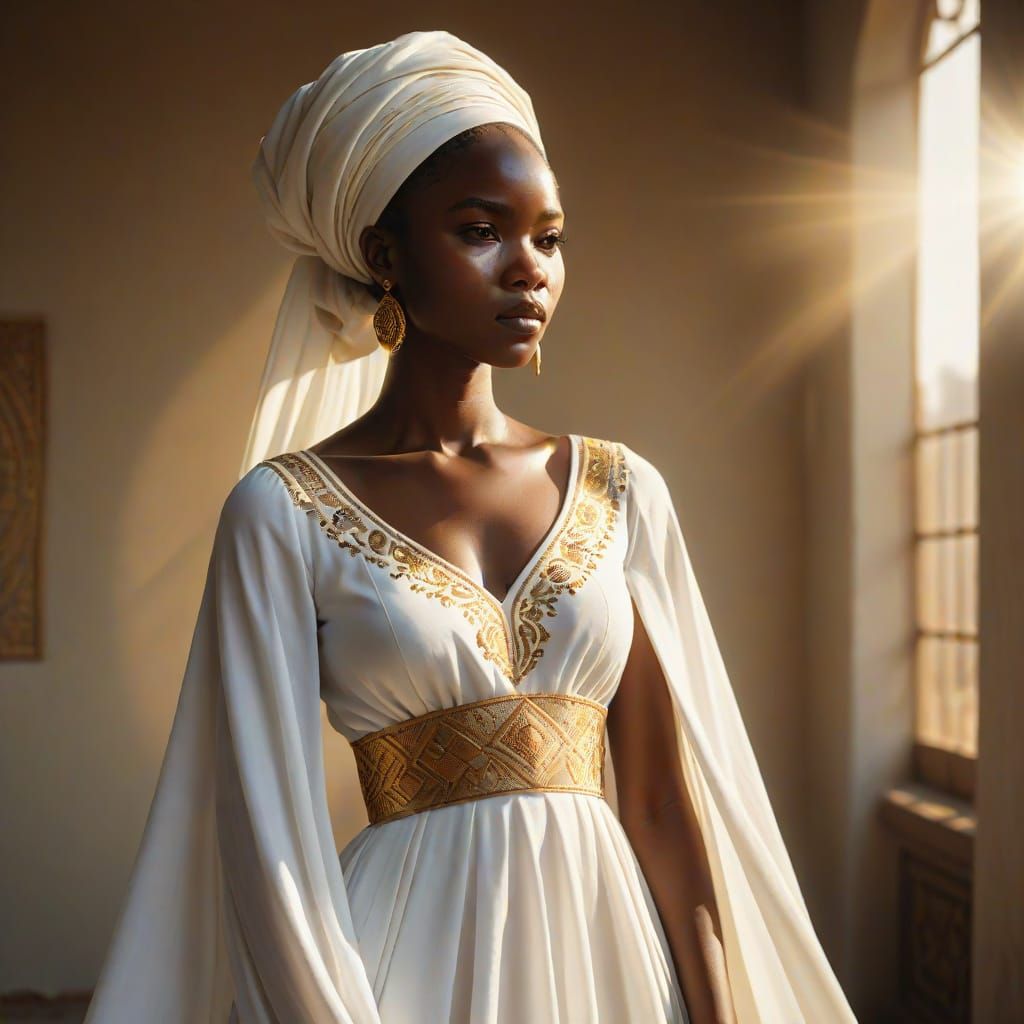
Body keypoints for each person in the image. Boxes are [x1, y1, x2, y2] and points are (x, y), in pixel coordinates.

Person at [84, 30, 856, 1024]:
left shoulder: (621, 490)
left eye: (550, 235)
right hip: (398, 970)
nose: (528, 269)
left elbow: (664, 806)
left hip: (611, 966)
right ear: (384, 254)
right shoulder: (282, 511)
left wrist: (717, 1012)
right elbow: (267, 837)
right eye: (482, 229)